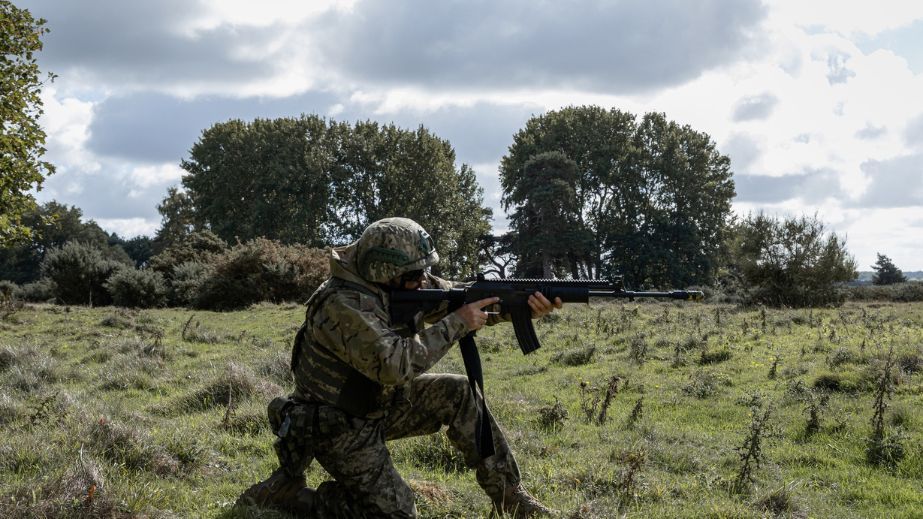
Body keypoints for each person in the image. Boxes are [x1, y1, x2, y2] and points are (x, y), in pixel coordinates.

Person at [237, 217, 562, 517]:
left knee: (460, 393)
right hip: (336, 423)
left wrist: (518, 307)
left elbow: (459, 299)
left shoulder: (401, 282)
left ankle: (510, 497)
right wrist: (457, 324)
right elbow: (394, 366)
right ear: (384, 271)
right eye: (413, 276)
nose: (422, 281)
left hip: (380, 402)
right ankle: (295, 497)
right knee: (396, 513)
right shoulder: (342, 304)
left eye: (423, 271)